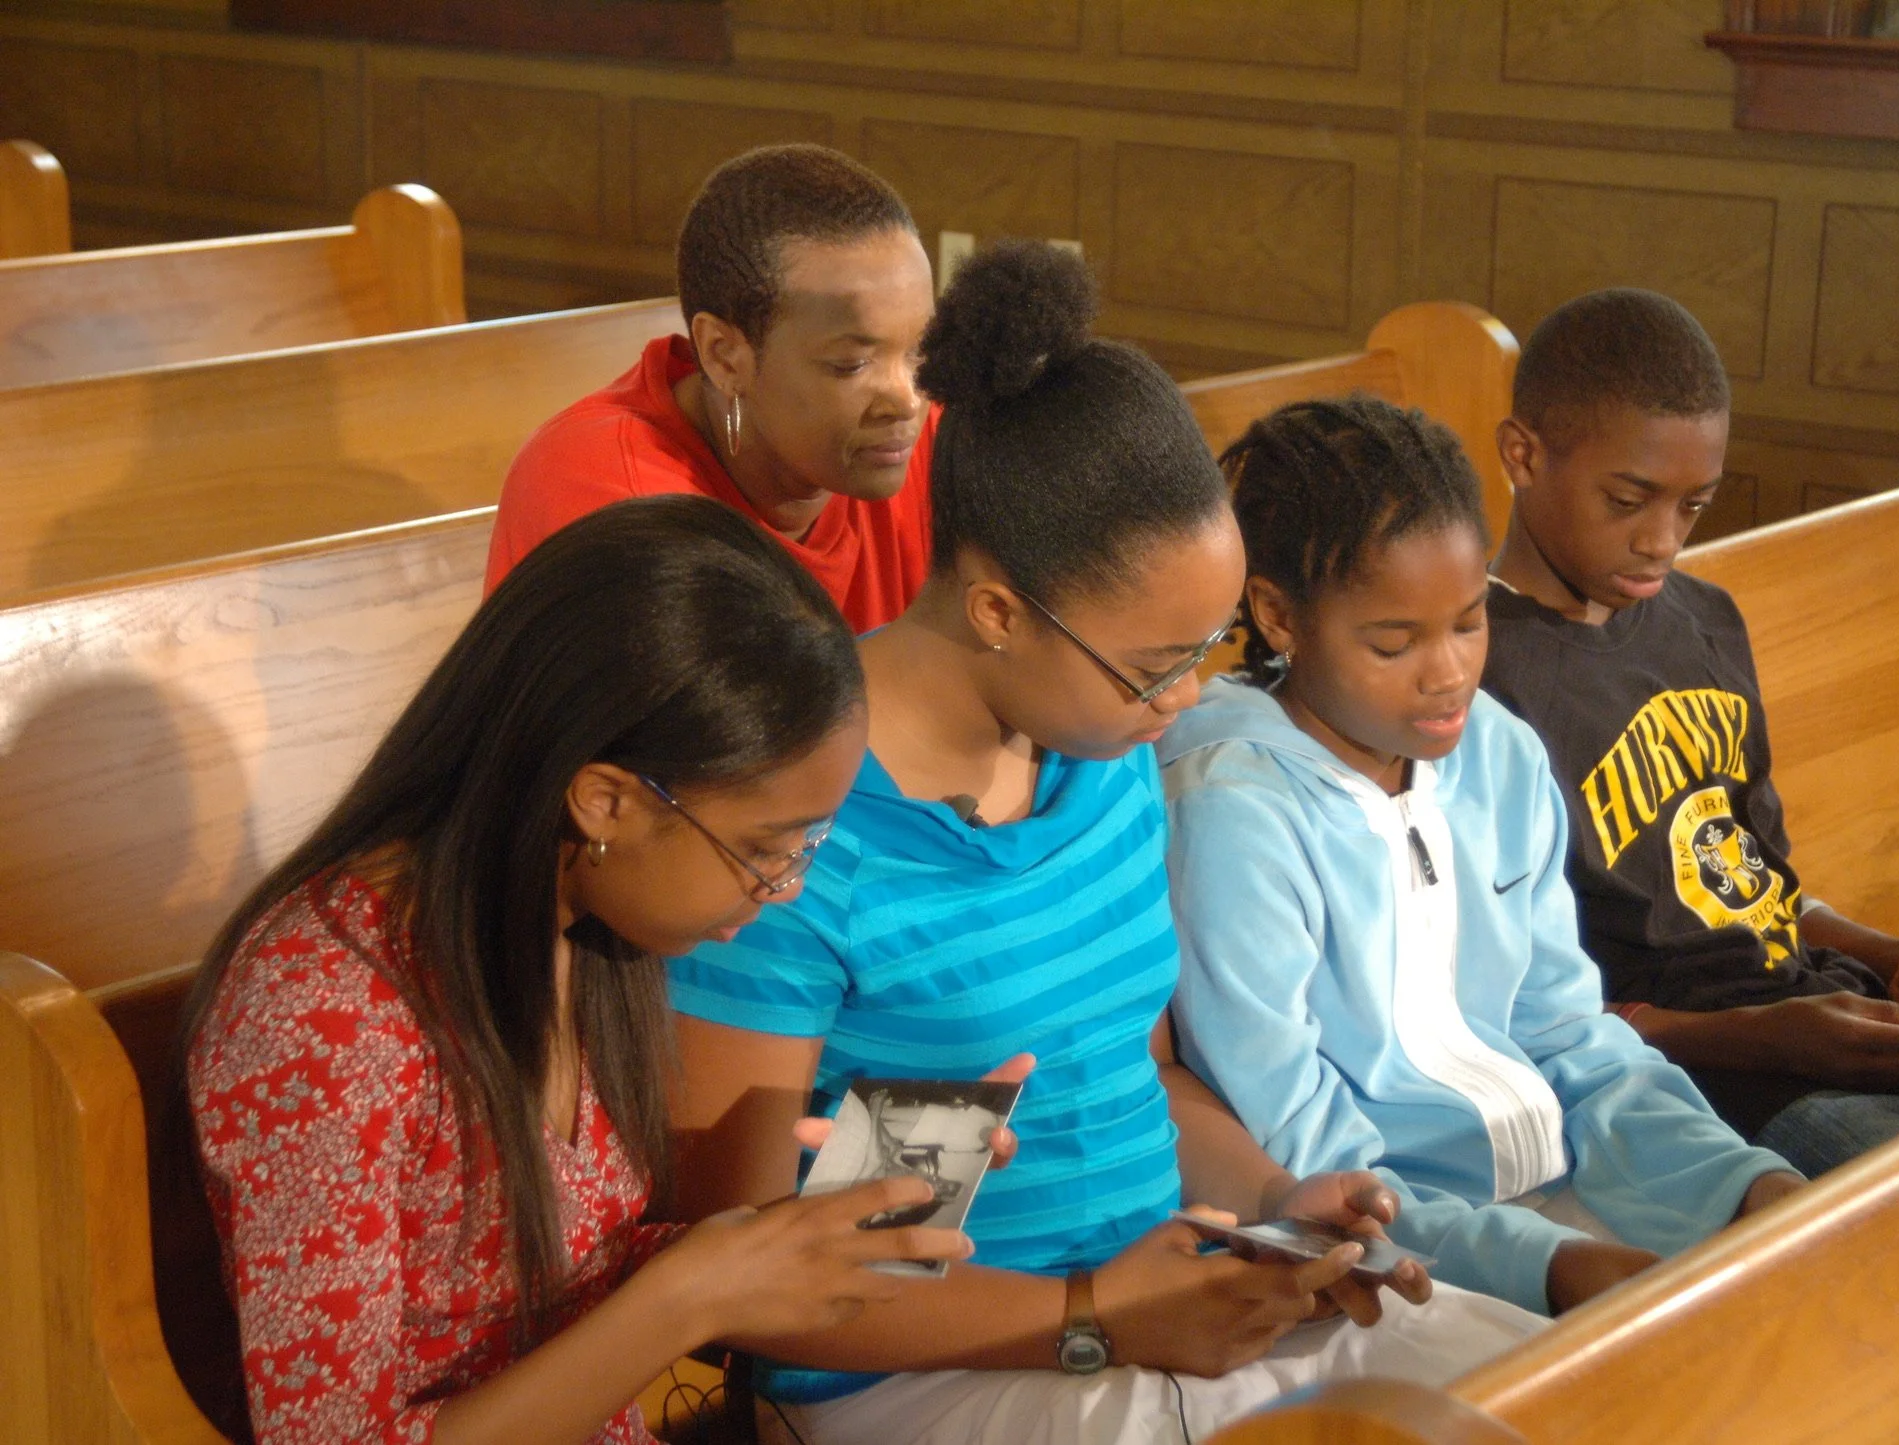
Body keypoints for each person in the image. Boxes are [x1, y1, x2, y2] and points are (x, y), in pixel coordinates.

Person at [667, 243, 1544, 1445]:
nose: (1189, 698)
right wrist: (1092, 1317)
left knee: (1561, 1385)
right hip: (927, 1368)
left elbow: (1134, 1078)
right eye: (1154, 665)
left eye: (1208, 648)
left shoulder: (1101, 756)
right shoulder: (795, 827)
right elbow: (747, 1282)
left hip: (1155, 1298)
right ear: (994, 612)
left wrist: (1277, 1204)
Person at [181, 497, 977, 1445]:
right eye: (766, 847)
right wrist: (685, 1300)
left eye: (808, 843)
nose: (785, 888)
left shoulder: (586, 926)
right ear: (605, 800)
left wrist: (837, 1225)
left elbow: (573, 1262)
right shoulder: (326, 1013)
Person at [1156, 395, 1801, 1322]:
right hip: (1392, 1256)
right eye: (1394, 640)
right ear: (1277, 614)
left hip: (1564, 1185)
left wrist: (1742, 1183)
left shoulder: (1499, 753)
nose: (1448, 672)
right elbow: (1309, 1152)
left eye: (1467, 622)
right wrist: (1555, 1265)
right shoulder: (1231, 810)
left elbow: (1569, 1036)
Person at [1478, 287, 1899, 1177]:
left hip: (1825, 1009)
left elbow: (1764, 884)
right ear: (1524, 454)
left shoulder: (1702, 620)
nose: (1662, 541)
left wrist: (1896, 957)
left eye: (1694, 506)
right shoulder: (1473, 676)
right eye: (1630, 499)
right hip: (1703, 1081)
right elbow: (1510, 1005)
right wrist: (1770, 1037)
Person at [485, 145, 939, 632]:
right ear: (724, 355)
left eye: (920, 349)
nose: (908, 399)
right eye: (851, 365)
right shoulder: (619, 510)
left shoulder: (930, 445)